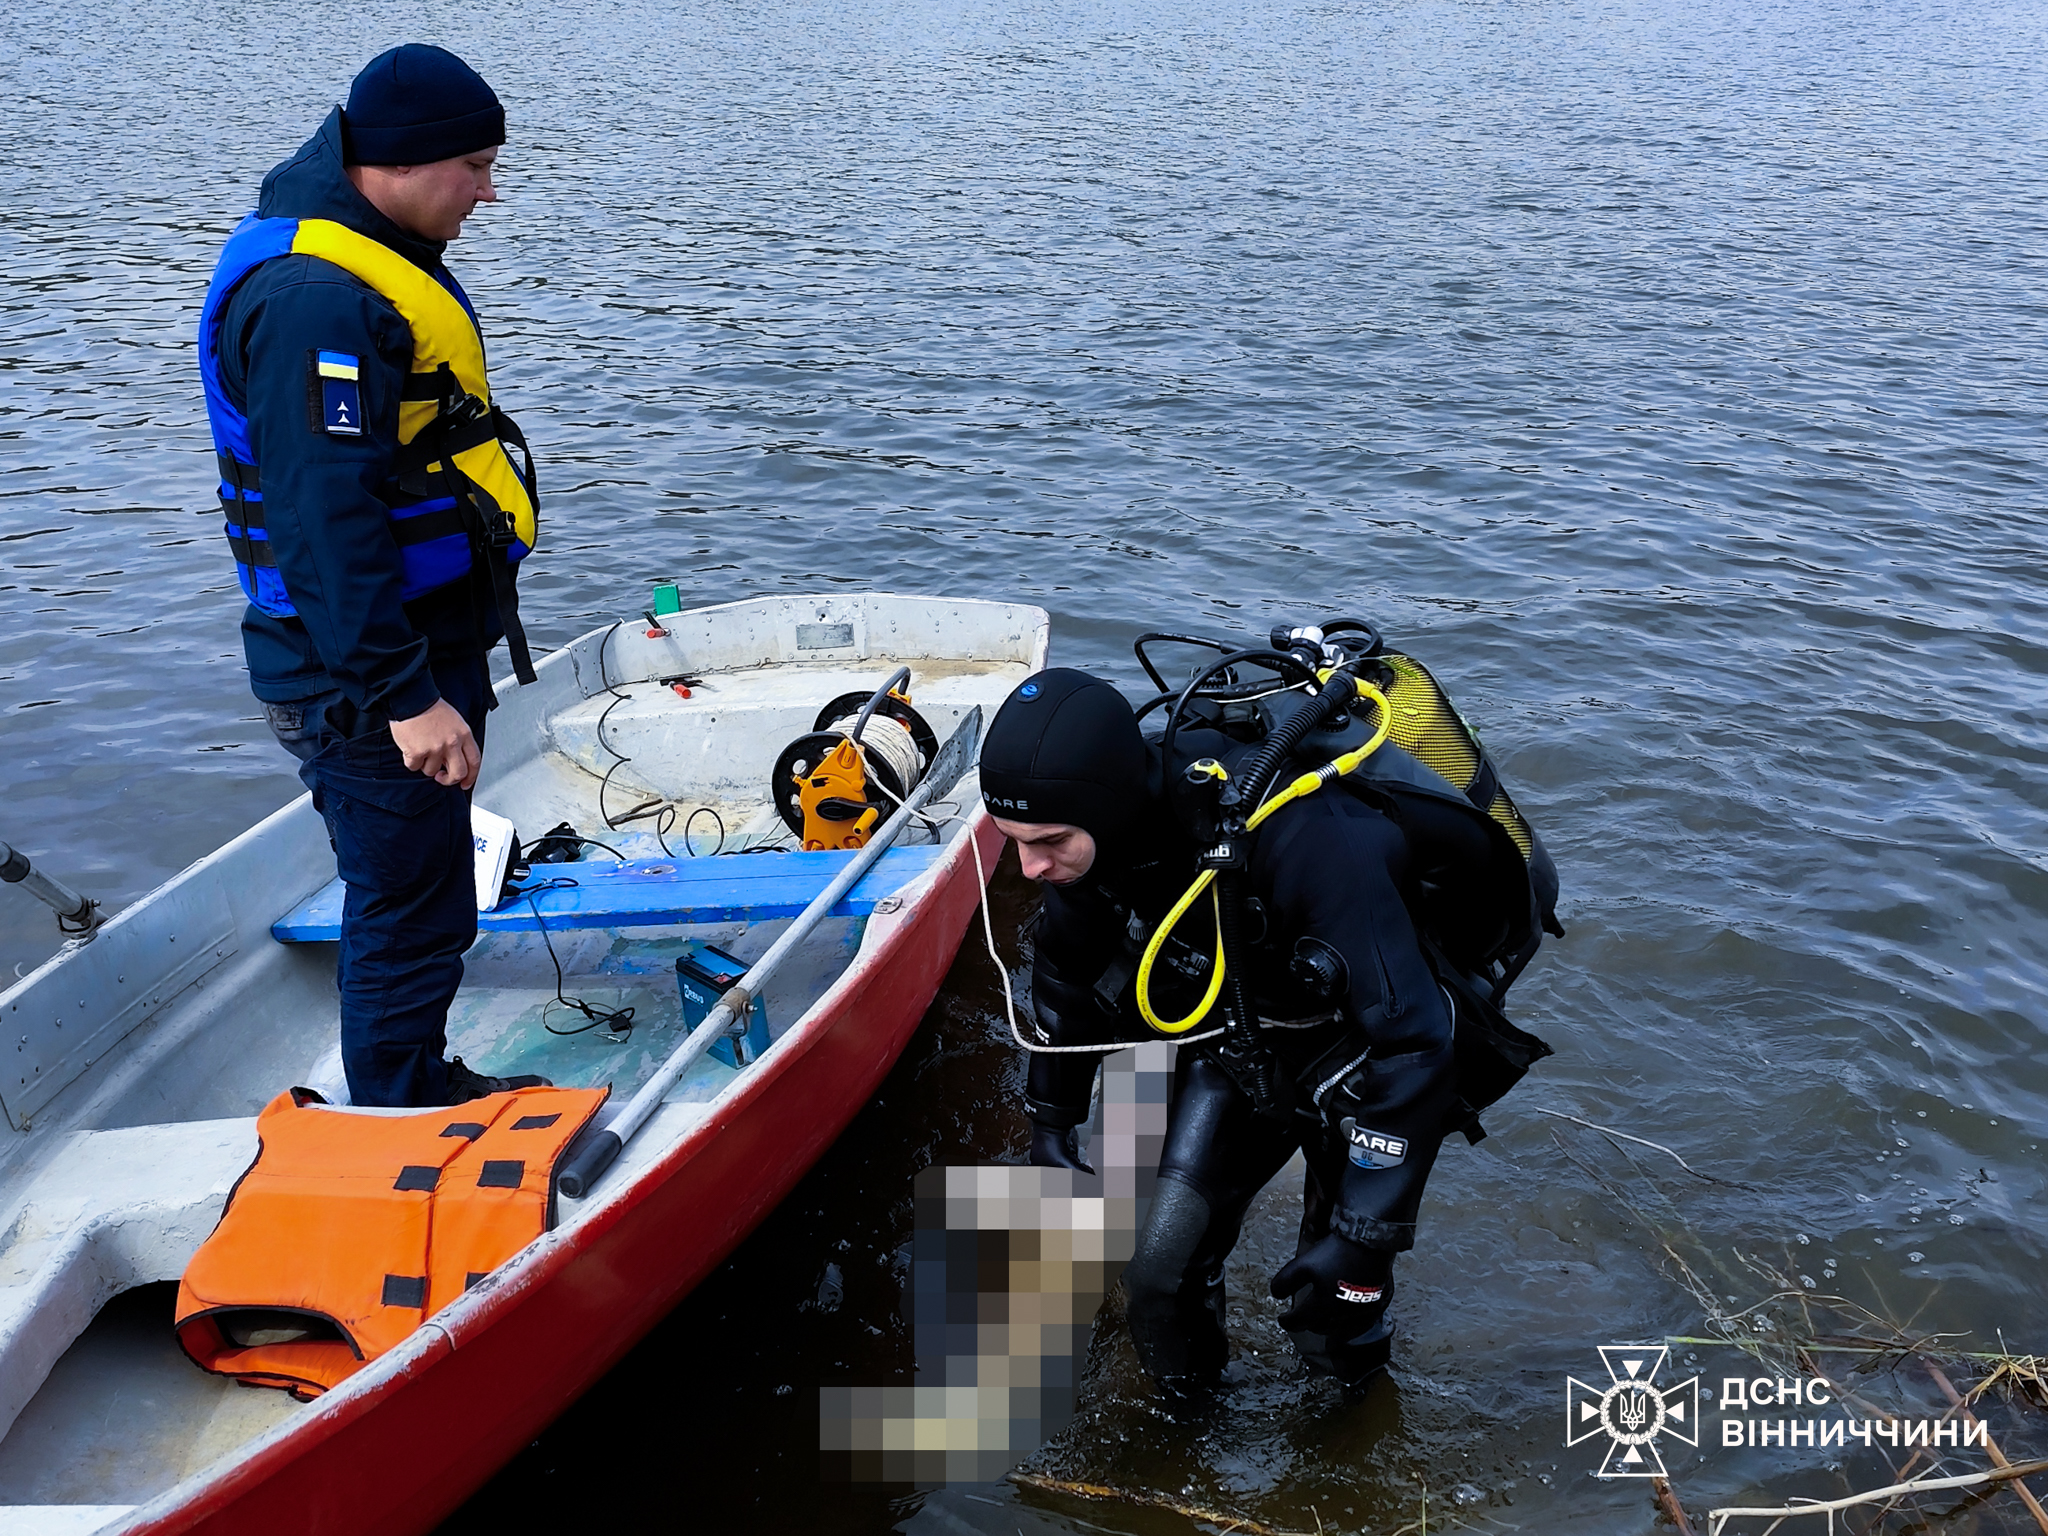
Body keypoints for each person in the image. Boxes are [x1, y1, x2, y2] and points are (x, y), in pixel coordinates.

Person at [980, 640, 1559, 1394]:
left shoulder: (1312, 837)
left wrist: (1363, 1234)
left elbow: (1417, 1045)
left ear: (1108, 804)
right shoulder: (1094, 846)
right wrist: (1051, 1125)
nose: (1029, 869)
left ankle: (1347, 1429)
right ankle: (1185, 1452)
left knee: (1333, 1303)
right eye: (1015, 844)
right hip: (1247, 1030)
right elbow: (1064, 977)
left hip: (1368, 1047)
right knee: (1160, 1275)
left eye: (1049, 844)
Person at [197, 45, 548, 1108]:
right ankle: (400, 1111)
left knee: (426, 890)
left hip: (403, 654)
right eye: (475, 166)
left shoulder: (363, 255)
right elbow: (322, 522)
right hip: (362, 680)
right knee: (408, 905)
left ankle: (410, 1077)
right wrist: (406, 697)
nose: (489, 191)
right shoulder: (314, 300)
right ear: (397, 162)